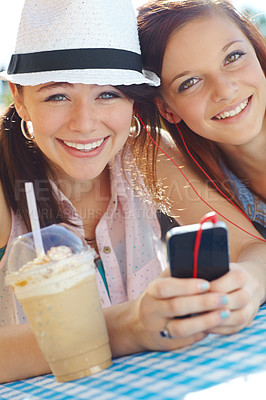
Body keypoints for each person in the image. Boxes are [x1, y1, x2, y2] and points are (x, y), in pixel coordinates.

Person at [0, 0, 265, 384]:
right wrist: (129, 327)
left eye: (108, 93)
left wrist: (247, 284)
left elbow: (252, 248)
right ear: (20, 98)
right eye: (57, 95)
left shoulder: (144, 155)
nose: (85, 123)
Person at [137, 0, 266, 239]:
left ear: (256, 50)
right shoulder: (197, 184)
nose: (225, 91)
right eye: (190, 83)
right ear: (168, 110)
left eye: (233, 56)